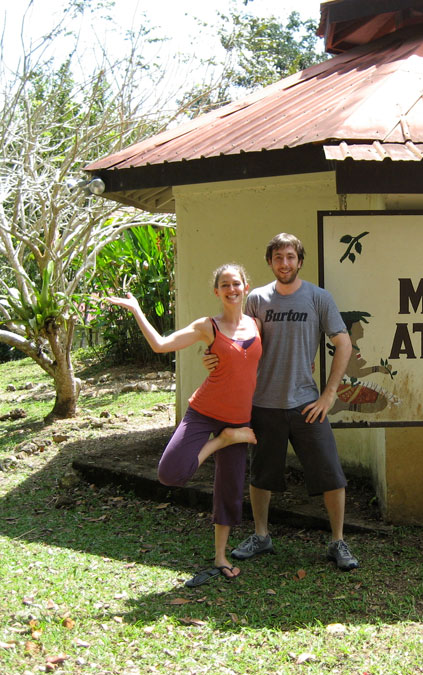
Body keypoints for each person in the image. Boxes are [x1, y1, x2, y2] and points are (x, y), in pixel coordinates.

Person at [204, 233, 359, 570]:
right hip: (263, 404)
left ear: (299, 261)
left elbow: (343, 343)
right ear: (270, 262)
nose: (284, 263)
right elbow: (238, 339)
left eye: (290, 257)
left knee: (331, 475)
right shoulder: (257, 299)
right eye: (278, 258)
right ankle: (261, 536)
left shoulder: (318, 297)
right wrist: (212, 357)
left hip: (306, 403)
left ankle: (338, 541)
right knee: (262, 475)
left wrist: (329, 394)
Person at [104, 263, 261, 585]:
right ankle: (224, 440)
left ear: (246, 287)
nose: (232, 289)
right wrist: (136, 309)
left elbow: (257, 363)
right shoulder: (208, 327)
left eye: (237, 283)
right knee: (170, 472)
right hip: (204, 411)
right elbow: (160, 345)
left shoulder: (257, 325)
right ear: (216, 291)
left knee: (229, 491)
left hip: (239, 417)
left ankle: (220, 556)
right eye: (225, 285)